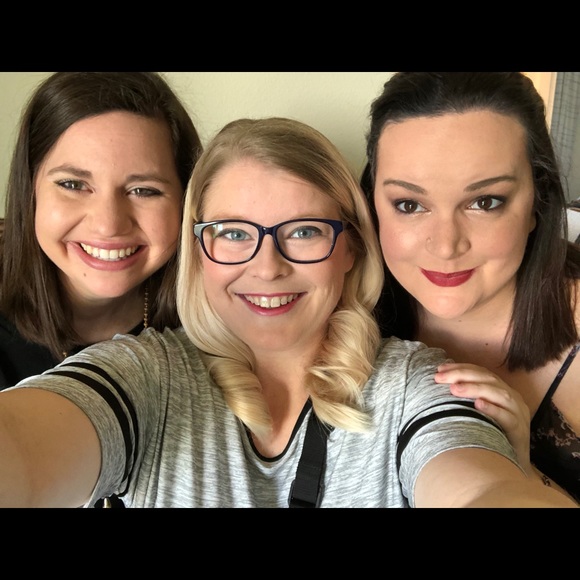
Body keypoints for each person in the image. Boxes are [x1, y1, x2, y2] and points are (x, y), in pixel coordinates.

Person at [0, 117, 576, 508]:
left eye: (303, 231)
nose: (267, 267)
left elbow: (477, 487)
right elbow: (23, 449)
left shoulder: (413, 386)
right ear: (198, 249)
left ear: (351, 248)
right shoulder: (143, 376)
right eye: (233, 233)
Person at [361, 72, 580, 503]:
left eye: (485, 202)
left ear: (536, 203)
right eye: (409, 204)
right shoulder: (347, 324)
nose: (446, 245)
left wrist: (524, 474)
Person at [0, 71, 203, 506]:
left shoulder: (212, 330)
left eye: (144, 190)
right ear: (29, 189)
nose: (109, 224)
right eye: (73, 184)